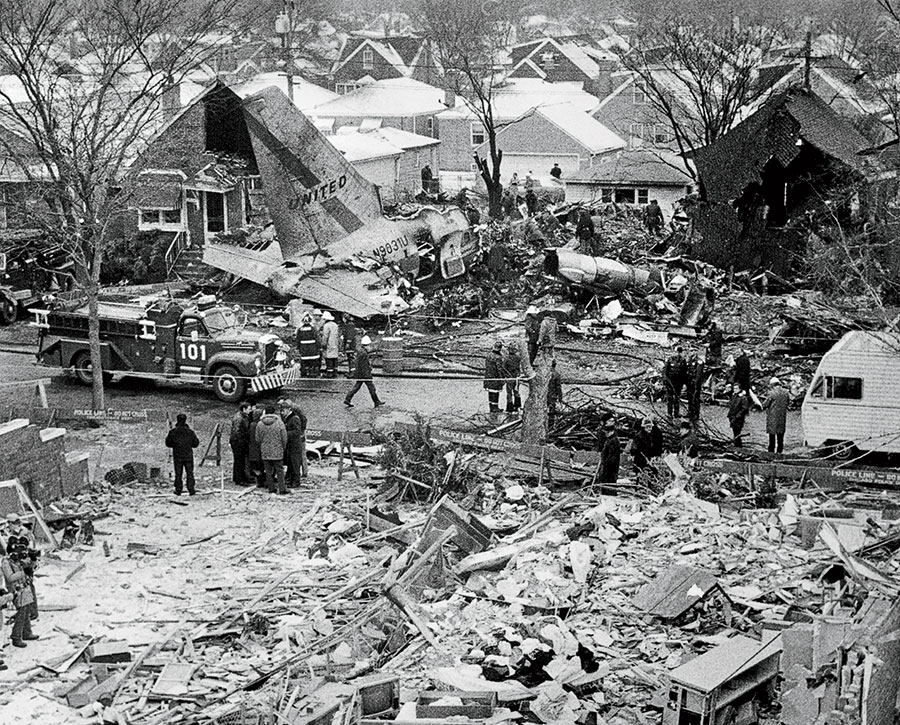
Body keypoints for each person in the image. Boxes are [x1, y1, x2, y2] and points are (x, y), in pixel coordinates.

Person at [2, 537, 36, 648]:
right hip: (15, 589)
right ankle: (16, 636)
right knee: (21, 613)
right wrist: (23, 572)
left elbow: (31, 568)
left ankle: (26, 632)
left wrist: (32, 560)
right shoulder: (6, 562)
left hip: (24, 587)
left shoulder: (18, 560)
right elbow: (10, 578)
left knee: (26, 611)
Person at [165, 413, 200, 496]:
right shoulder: (190, 432)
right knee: (190, 473)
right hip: (188, 455)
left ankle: (178, 490)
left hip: (177, 455)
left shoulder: (172, 432)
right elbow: (195, 444)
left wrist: (176, 445)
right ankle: (191, 489)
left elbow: (168, 443)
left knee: (178, 473)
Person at [256, 404, 288, 494]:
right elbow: (284, 438)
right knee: (280, 471)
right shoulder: (279, 423)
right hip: (277, 450)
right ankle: (282, 489)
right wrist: (283, 447)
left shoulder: (260, 424)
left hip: (265, 451)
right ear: (274, 412)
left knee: (268, 471)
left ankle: (271, 489)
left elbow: (257, 438)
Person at [344, 336, 384, 408]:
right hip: (364, 375)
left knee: (356, 387)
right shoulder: (364, 354)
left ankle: (348, 399)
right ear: (367, 345)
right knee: (371, 388)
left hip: (360, 373)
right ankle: (376, 401)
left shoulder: (361, 351)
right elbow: (364, 366)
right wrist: (368, 374)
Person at [279, 398, 308, 485]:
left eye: (284, 410)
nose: (282, 412)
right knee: (291, 463)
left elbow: (296, 431)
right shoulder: (288, 418)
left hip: (295, 445)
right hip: (290, 444)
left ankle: (296, 481)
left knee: (295, 463)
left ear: (289, 410)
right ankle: (291, 479)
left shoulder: (294, 418)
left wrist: (285, 433)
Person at [764, 377, 789, 453]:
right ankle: (779, 452)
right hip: (782, 417)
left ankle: (771, 452)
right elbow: (788, 402)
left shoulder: (772, 393)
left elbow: (765, 404)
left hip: (772, 417)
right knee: (780, 436)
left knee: (772, 436)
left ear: (772, 385)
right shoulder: (786, 392)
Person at [228, 402, 251, 486]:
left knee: (240, 460)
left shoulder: (243, 417)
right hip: (238, 442)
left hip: (240, 441)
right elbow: (236, 432)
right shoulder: (239, 418)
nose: (250, 410)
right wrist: (243, 440)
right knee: (239, 461)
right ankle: (239, 479)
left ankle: (239, 477)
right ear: (244, 409)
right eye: (249, 409)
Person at [664, 346, 687, 418]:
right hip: (670, 382)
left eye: (678, 352)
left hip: (678, 383)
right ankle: (669, 413)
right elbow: (665, 371)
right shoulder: (670, 360)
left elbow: (684, 372)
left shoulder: (683, 360)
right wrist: (666, 381)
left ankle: (676, 413)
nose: (676, 354)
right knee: (670, 398)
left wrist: (683, 383)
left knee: (677, 398)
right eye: (675, 352)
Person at [484, 340, 504, 416]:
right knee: (495, 392)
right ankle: (495, 407)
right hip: (495, 377)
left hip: (488, 376)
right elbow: (499, 369)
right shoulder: (498, 357)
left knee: (490, 392)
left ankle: (491, 407)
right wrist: (502, 378)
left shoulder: (489, 355)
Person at [598, 419, 621, 483]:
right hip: (609, 468)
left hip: (610, 469)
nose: (606, 434)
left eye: (607, 432)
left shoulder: (613, 441)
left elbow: (611, 456)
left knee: (608, 484)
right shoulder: (610, 440)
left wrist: (605, 464)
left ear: (612, 431)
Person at [247, 406, 264, 487]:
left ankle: (258, 481)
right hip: (258, 449)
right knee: (259, 466)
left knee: (256, 467)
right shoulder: (259, 425)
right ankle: (260, 482)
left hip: (253, 449)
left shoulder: (252, 425)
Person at [685, 350, 704, 422]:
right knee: (689, 397)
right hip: (689, 383)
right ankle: (690, 412)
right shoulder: (689, 360)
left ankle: (696, 414)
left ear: (696, 352)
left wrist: (695, 382)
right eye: (690, 351)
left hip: (696, 384)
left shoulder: (699, 361)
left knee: (695, 398)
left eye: (692, 351)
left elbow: (698, 374)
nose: (691, 352)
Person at [320, 311, 340, 378]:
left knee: (329, 358)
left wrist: (323, 344)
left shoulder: (326, 326)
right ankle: (335, 372)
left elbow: (325, 336)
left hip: (329, 344)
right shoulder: (335, 325)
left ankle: (329, 372)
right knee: (335, 358)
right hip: (335, 343)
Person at [504, 342, 522, 413]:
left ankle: (509, 408)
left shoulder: (506, 358)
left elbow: (504, 368)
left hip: (509, 377)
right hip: (516, 377)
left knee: (509, 393)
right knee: (516, 392)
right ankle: (517, 406)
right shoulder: (518, 358)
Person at [547, 359, 563, 426]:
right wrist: (560, 397)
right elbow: (558, 387)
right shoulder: (557, 375)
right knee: (552, 411)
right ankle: (550, 425)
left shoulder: (544, 374)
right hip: (552, 395)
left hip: (544, 395)